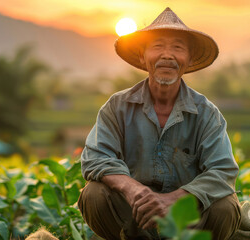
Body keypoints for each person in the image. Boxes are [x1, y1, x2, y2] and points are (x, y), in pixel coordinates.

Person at [78, 7, 241, 240]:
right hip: (133, 215)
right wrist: (134, 190)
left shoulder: (207, 114)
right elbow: (95, 158)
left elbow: (223, 170)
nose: (167, 55)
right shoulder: (117, 106)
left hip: (187, 220)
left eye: (177, 47)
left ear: (190, 59)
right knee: (93, 193)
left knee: (225, 205)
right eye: (158, 46)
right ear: (143, 56)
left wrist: (172, 200)